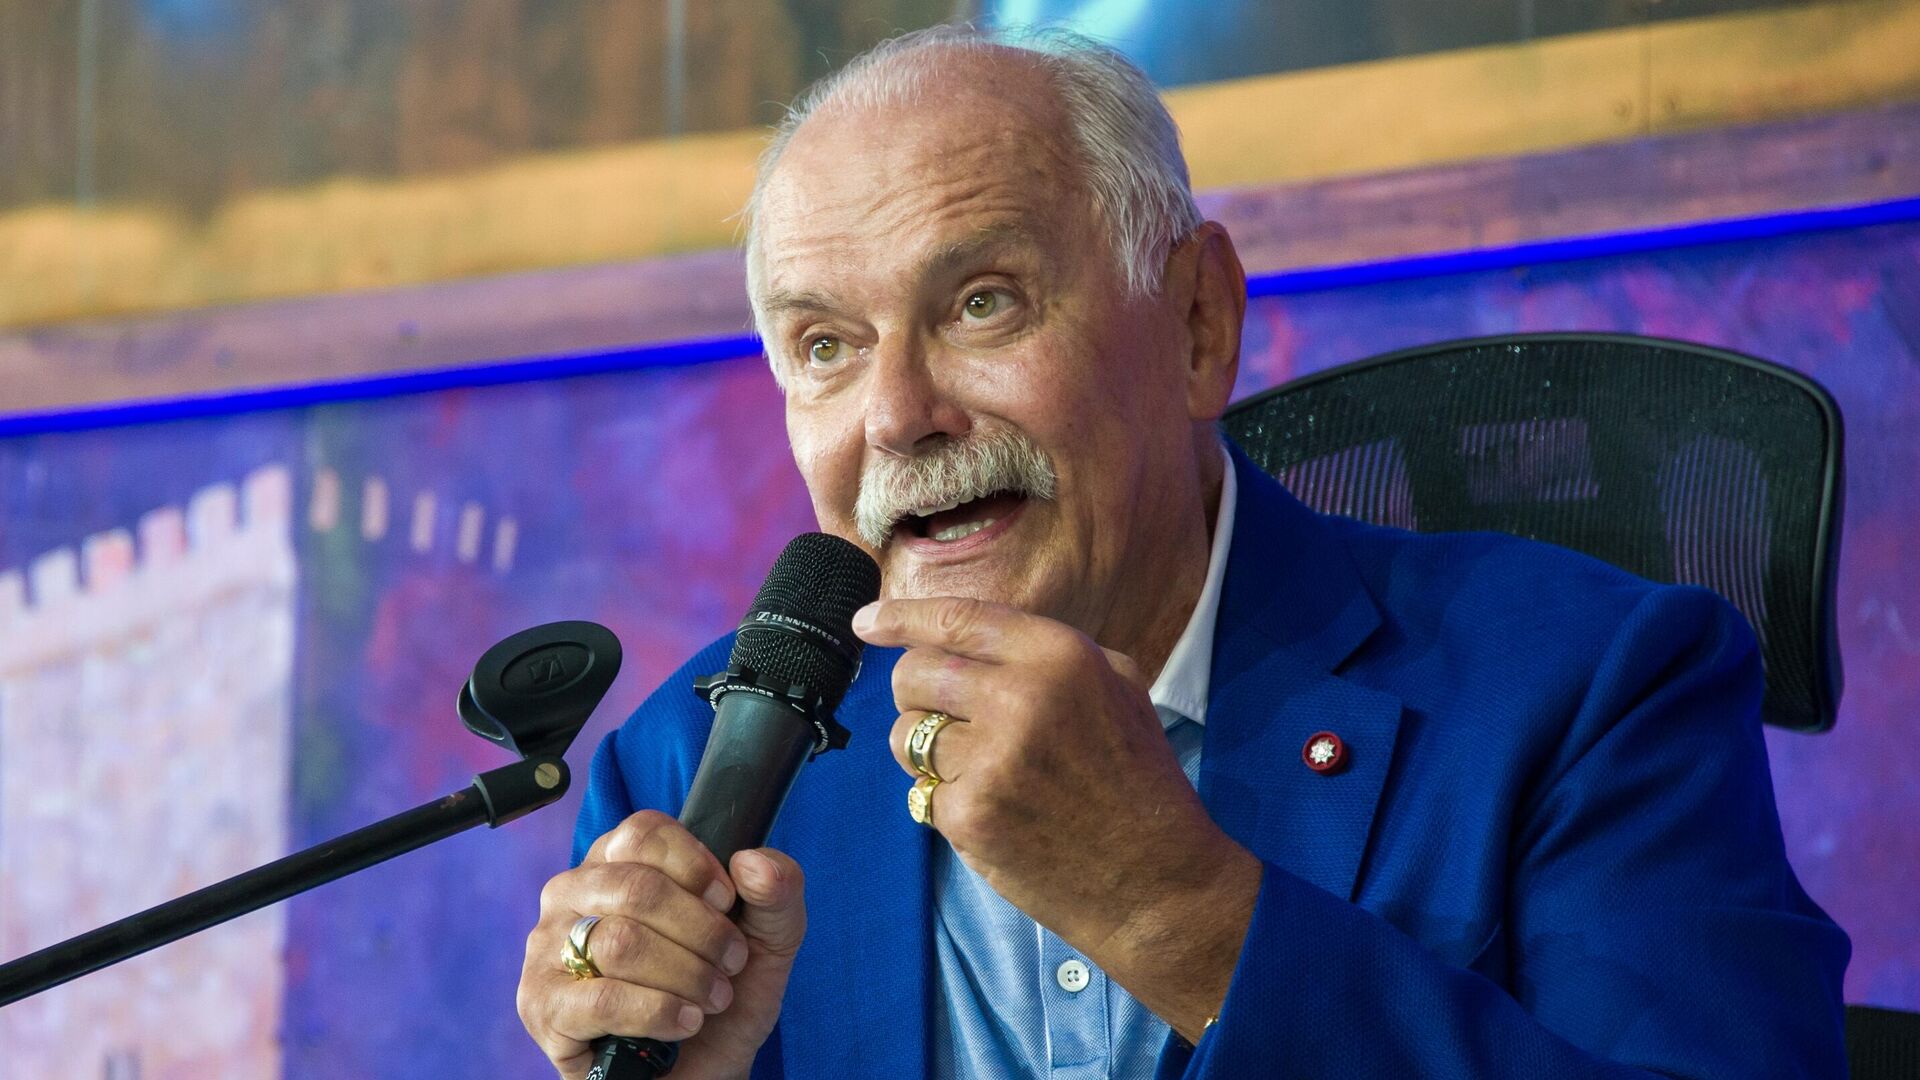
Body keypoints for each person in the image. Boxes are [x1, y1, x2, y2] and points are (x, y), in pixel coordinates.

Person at [515, 26, 1849, 1080]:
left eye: (981, 303)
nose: (898, 415)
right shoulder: (694, 769)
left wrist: (1177, 911)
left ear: (1199, 323)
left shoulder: (1598, 687)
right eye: (826, 346)